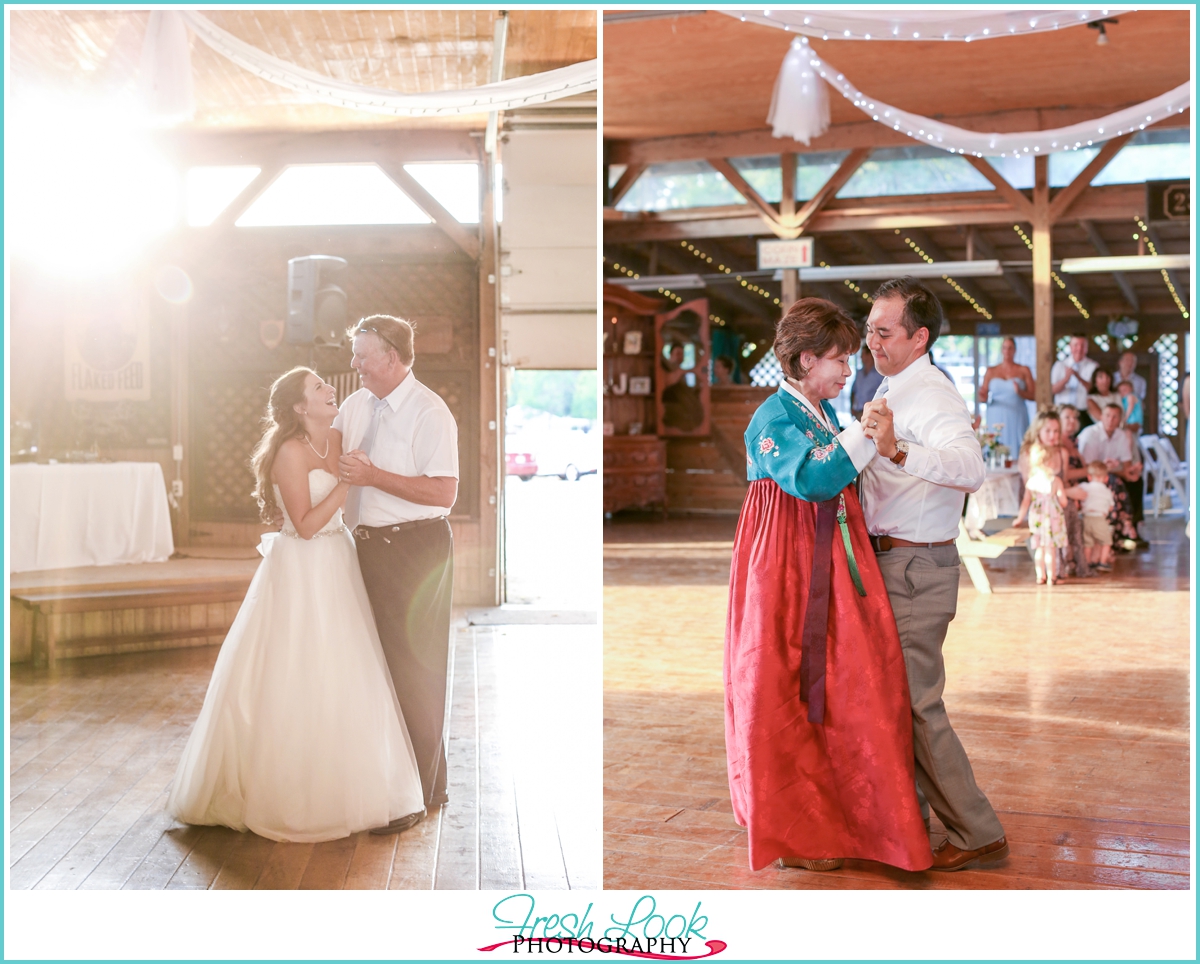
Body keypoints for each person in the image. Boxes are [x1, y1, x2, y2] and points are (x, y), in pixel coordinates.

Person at [168, 368, 426, 841]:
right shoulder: (289, 451)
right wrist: (348, 484)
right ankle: (286, 791)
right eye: (319, 388)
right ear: (299, 408)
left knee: (347, 668)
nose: (331, 390)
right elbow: (305, 526)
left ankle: (357, 783)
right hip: (303, 566)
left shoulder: (338, 437)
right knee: (299, 667)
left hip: (339, 560)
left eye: (327, 385)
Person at [725, 297, 931, 874]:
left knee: (828, 686)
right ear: (807, 359)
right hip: (786, 567)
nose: (848, 369)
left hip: (816, 558)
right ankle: (796, 829)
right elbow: (813, 479)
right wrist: (865, 437)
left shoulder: (812, 411)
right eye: (839, 359)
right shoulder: (773, 416)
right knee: (787, 684)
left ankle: (827, 820)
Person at [858, 276, 1008, 872]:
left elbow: (971, 468)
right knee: (901, 706)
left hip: (916, 564)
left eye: (884, 330)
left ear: (919, 337)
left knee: (918, 706)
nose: (872, 340)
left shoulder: (933, 393)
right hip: (894, 559)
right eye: (870, 328)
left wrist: (898, 452)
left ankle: (977, 832)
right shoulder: (892, 385)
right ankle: (909, 825)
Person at [335, 315, 459, 825]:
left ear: (391, 356)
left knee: (417, 669)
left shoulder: (430, 412)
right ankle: (389, 782)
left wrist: (373, 476)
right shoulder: (353, 404)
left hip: (415, 550)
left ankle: (420, 793)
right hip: (362, 548)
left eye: (362, 355)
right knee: (373, 667)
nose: (354, 364)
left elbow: (444, 494)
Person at [1077, 403, 1141, 551]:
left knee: (1137, 481)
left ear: (1120, 419)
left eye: (1115, 417)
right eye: (1108, 416)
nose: (1111, 420)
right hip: (1090, 475)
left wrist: (1131, 471)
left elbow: (1126, 466)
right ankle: (1121, 525)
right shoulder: (1090, 435)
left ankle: (1132, 525)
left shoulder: (1121, 436)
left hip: (1110, 473)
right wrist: (1110, 469)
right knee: (1114, 482)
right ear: (1101, 417)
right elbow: (1090, 468)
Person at [1014, 433, 1070, 585]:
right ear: (1051, 463)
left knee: (1039, 548)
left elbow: (1026, 501)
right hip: (1052, 519)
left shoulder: (1032, 481)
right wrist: (1061, 503)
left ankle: (1040, 576)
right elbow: (1063, 500)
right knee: (1050, 549)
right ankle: (1052, 577)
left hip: (1037, 518)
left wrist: (1019, 518)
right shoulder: (1055, 480)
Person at [980, 336, 1035, 457]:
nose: (1007, 351)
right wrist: (982, 396)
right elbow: (983, 398)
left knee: (1018, 445)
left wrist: (1020, 392)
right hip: (996, 414)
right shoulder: (991, 371)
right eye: (1005, 348)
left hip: (1017, 413)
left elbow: (1033, 395)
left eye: (1010, 348)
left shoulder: (1024, 370)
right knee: (996, 443)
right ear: (1001, 350)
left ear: (1015, 350)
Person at [1056, 405, 1094, 578]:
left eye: (1074, 418)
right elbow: (1065, 475)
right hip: (1064, 489)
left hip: (1078, 487)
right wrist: (1089, 471)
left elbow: (1084, 467)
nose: (1072, 421)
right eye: (1067, 418)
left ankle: (1096, 552)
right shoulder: (1057, 444)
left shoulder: (1074, 442)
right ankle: (1071, 559)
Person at [1050, 334, 1098, 427]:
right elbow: (1053, 390)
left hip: (1083, 412)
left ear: (1086, 348)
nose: (1079, 349)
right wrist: (1066, 379)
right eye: (1076, 345)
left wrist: (1078, 377)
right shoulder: (1059, 365)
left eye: (1082, 345)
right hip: (1062, 411)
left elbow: (1093, 390)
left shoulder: (1093, 366)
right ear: (1070, 347)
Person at [1078, 461, 1116, 572]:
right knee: (1106, 541)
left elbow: (1078, 494)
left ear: (1089, 477)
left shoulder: (1084, 486)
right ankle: (1102, 562)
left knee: (1087, 543)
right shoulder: (1107, 491)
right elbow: (1110, 507)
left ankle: (1087, 563)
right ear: (1106, 478)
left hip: (1086, 517)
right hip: (1099, 518)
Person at [850, 345, 883, 419]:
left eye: (863, 354)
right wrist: (851, 406)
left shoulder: (879, 375)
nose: (861, 357)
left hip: (872, 413)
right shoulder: (859, 373)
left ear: (870, 355)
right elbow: (853, 391)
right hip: (858, 412)